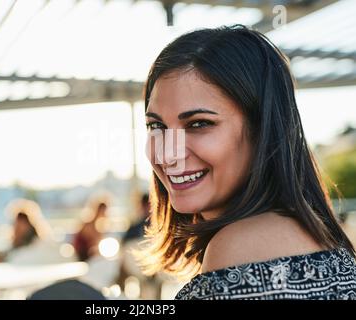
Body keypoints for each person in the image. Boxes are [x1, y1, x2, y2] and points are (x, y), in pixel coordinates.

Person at [138, 25, 356, 300]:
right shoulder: (320, 235)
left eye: (198, 124)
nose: (169, 154)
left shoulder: (238, 249)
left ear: (262, 130)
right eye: (156, 126)